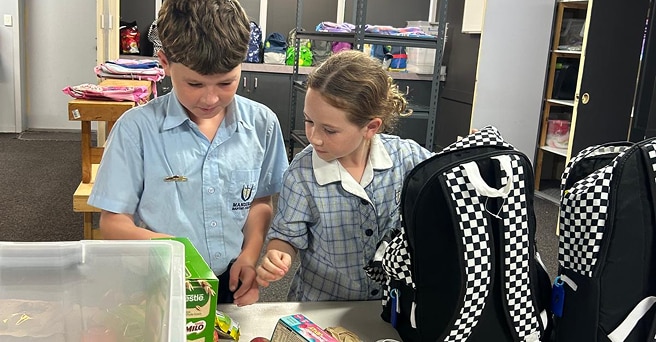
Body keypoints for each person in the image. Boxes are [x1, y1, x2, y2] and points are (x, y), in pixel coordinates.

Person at [88, 0, 288, 306]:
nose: (210, 98)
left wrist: (249, 255)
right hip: (156, 281)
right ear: (165, 63)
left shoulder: (262, 125)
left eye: (226, 82)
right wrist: (174, 250)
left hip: (229, 278)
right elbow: (113, 222)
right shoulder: (136, 130)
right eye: (194, 83)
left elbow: (260, 201)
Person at [253, 50, 435, 302]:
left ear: (371, 127)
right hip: (320, 308)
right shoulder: (302, 173)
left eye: (329, 130)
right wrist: (276, 254)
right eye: (309, 121)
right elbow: (286, 236)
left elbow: (447, 183)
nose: (314, 137)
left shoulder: (408, 158)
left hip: (389, 305)